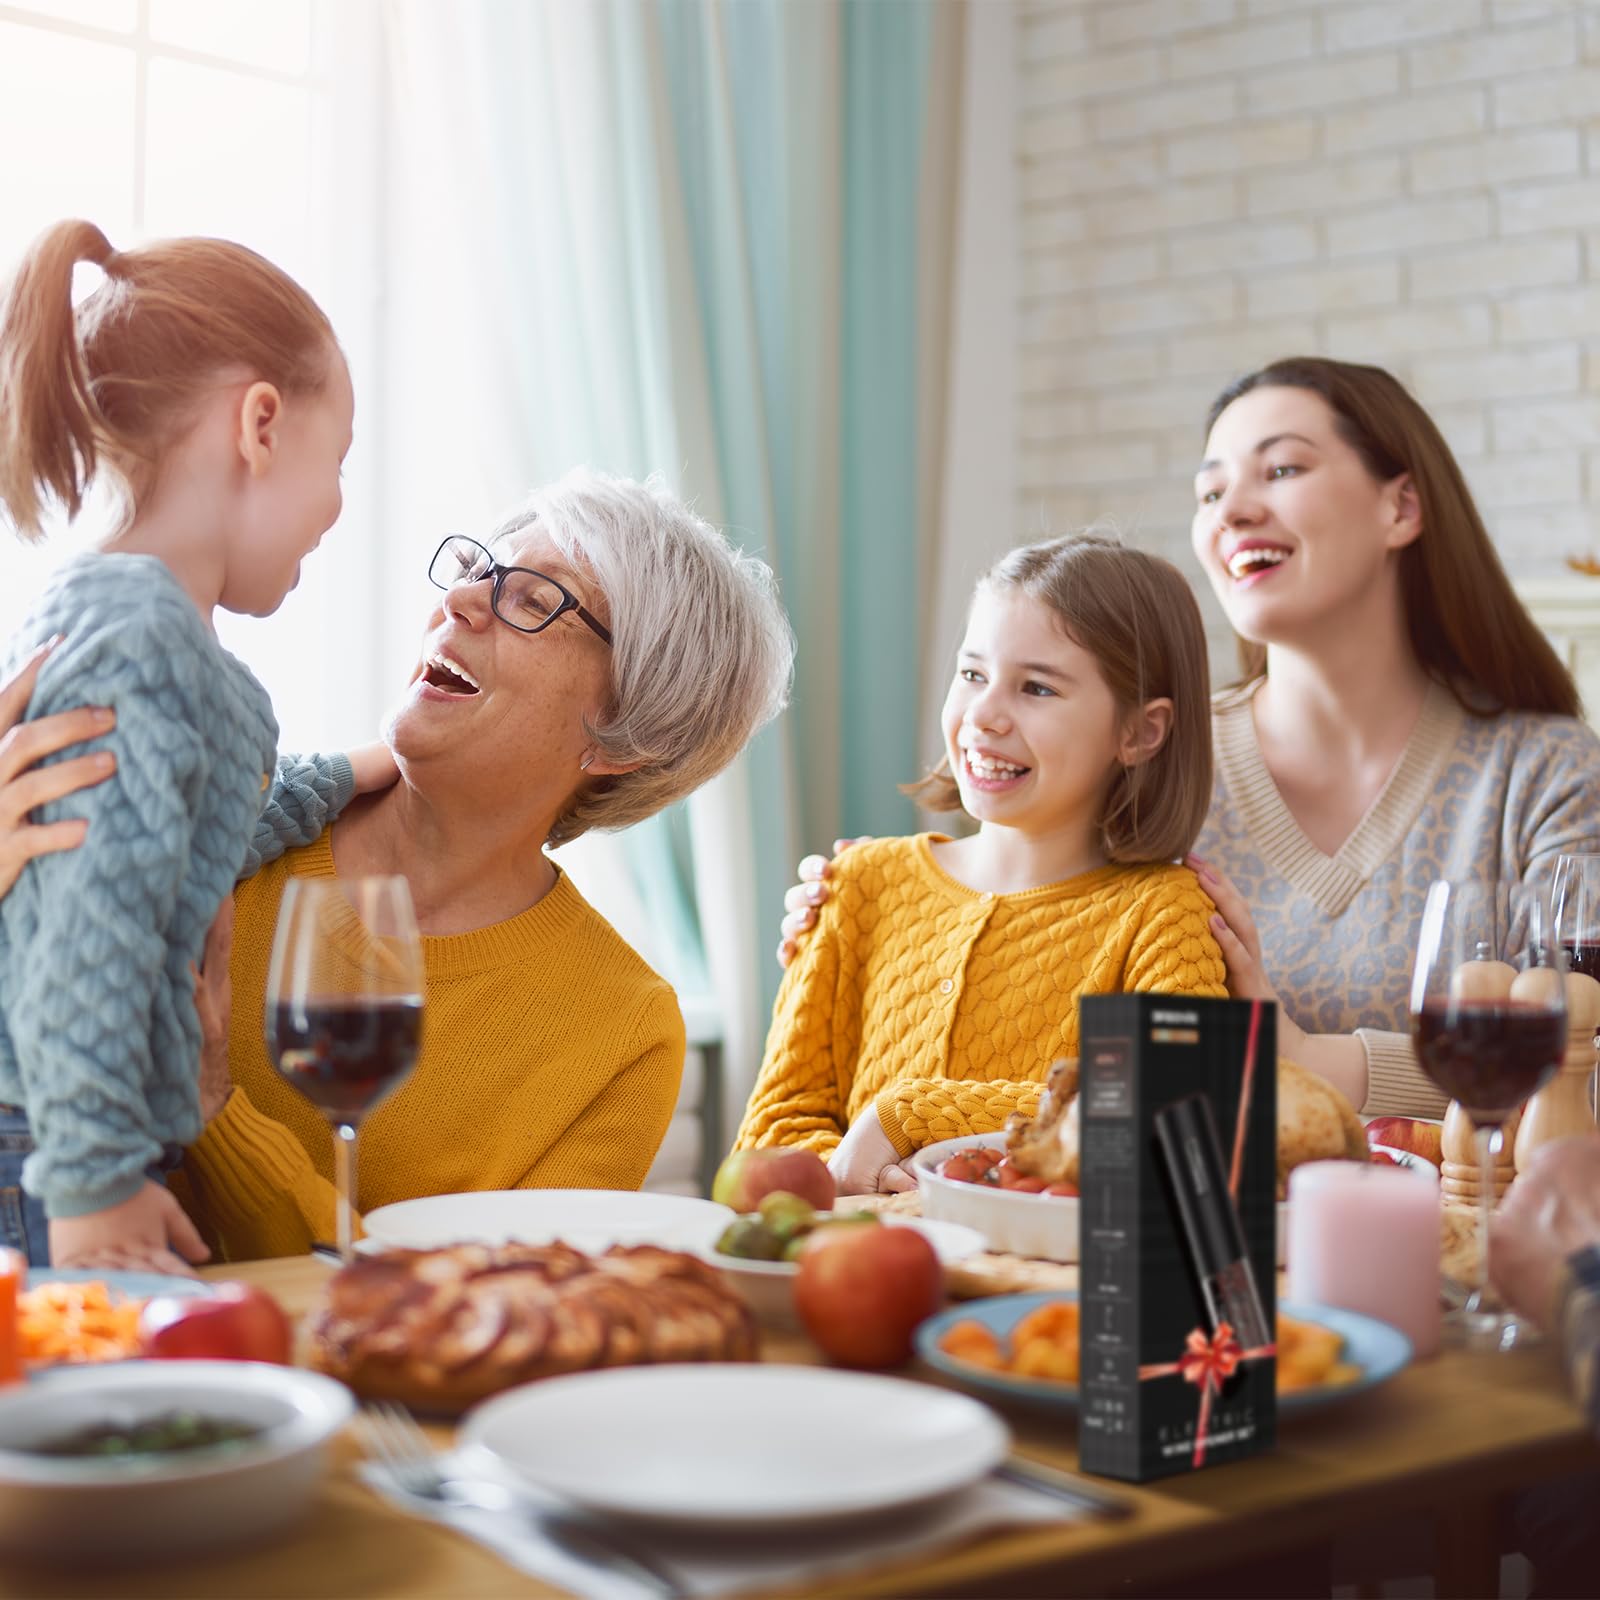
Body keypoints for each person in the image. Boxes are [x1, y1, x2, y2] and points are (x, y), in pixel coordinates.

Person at [781, 358, 1600, 1123]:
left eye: (1281, 470)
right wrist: (866, 910)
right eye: (1210, 493)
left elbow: (1582, 1073)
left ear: (1402, 506)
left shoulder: (1548, 775)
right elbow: (1007, 937)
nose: (1233, 511)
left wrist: (1314, 1059)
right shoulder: (1147, 756)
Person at [163, 468, 795, 1260]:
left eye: (535, 601)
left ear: (624, 736)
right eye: (476, 572)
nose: (460, 602)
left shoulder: (622, 1031)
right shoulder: (221, 830)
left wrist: (215, 1106)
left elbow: (479, 1307)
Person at [0, 219, 395, 1272]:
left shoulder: (155, 640)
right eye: (340, 458)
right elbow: (92, 923)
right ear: (260, 423)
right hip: (58, 1157)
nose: (336, 509)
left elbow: (171, 845)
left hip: (88, 1143)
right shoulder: (141, 645)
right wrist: (93, 1185)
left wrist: (347, 773)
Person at [735, 534, 1226, 1195]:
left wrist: (907, 1114)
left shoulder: (1165, 914)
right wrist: (864, 1188)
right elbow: (773, 1130)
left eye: (1037, 688)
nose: (984, 715)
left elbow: (1165, 1116)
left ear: (1138, 732)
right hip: (853, 1276)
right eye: (972, 674)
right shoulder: (858, 884)